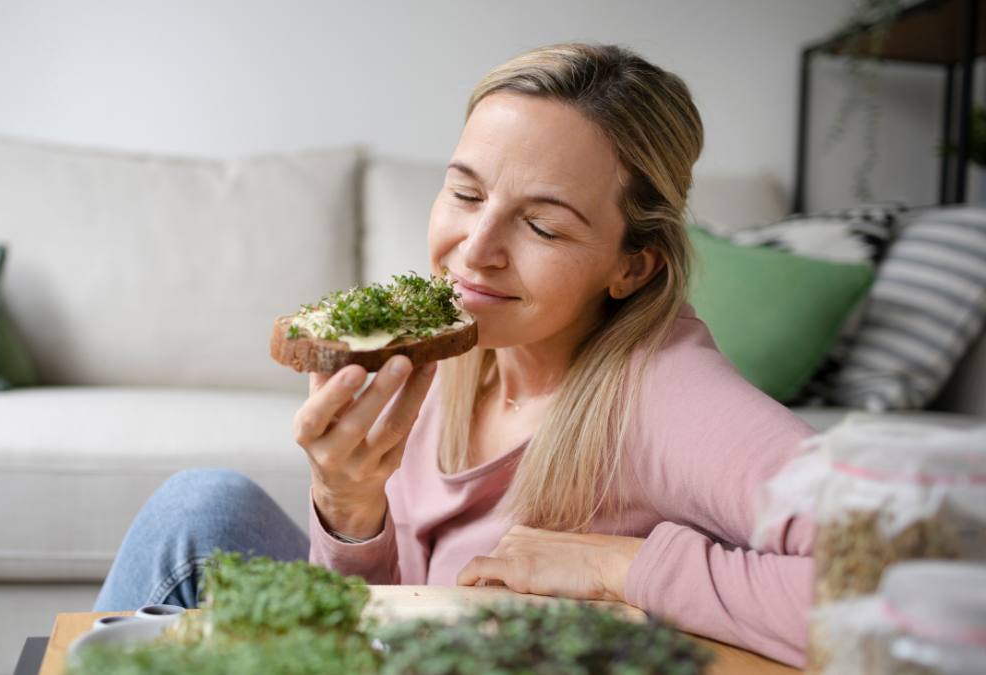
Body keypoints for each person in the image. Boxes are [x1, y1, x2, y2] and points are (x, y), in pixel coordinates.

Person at [95, 42, 815, 667]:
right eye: (465, 193)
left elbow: (911, 582)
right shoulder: (450, 346)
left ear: (632, 267)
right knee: (200, 508)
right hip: (416, 648)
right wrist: (351, 510)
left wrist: (619, 565)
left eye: (541, 225)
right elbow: (384, 612)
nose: (474, 252)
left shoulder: (665, 390)